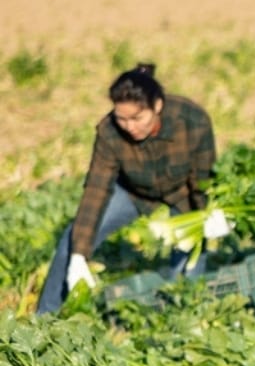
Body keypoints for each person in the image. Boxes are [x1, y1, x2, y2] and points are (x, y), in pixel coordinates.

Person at [36, 64, 229, 315]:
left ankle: (180, 317)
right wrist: (79, 255)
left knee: (189, 257)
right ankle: (44, 316)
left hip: (181, 191)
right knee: (73, 239)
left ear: (157, 106)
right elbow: (96, 188)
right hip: (133, 191)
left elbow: (202, 176)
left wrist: (207, 213)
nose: (129, 127)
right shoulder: (109, 132)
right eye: (121, 118)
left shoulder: (191, 119)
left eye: (137, 118)